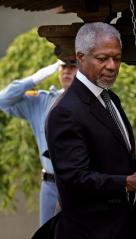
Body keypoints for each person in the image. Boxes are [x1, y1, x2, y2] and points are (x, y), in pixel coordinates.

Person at [44, 22, 136, 239]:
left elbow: (121, 163)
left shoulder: (110, 98)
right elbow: (76, 178)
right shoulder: (65, 111)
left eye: (117, 58)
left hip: (125, 224)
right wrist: (128, 182)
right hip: (90, 231)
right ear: (80, 57)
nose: (112, 66)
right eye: (103, 58)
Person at [0, 59, 78, 225]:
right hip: (51, 186)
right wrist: (36, 78)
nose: (66, 71)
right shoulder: (42, 102)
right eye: (63, 66)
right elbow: (3, 100)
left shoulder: (92, 102)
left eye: (72, 66)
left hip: (81, 185)